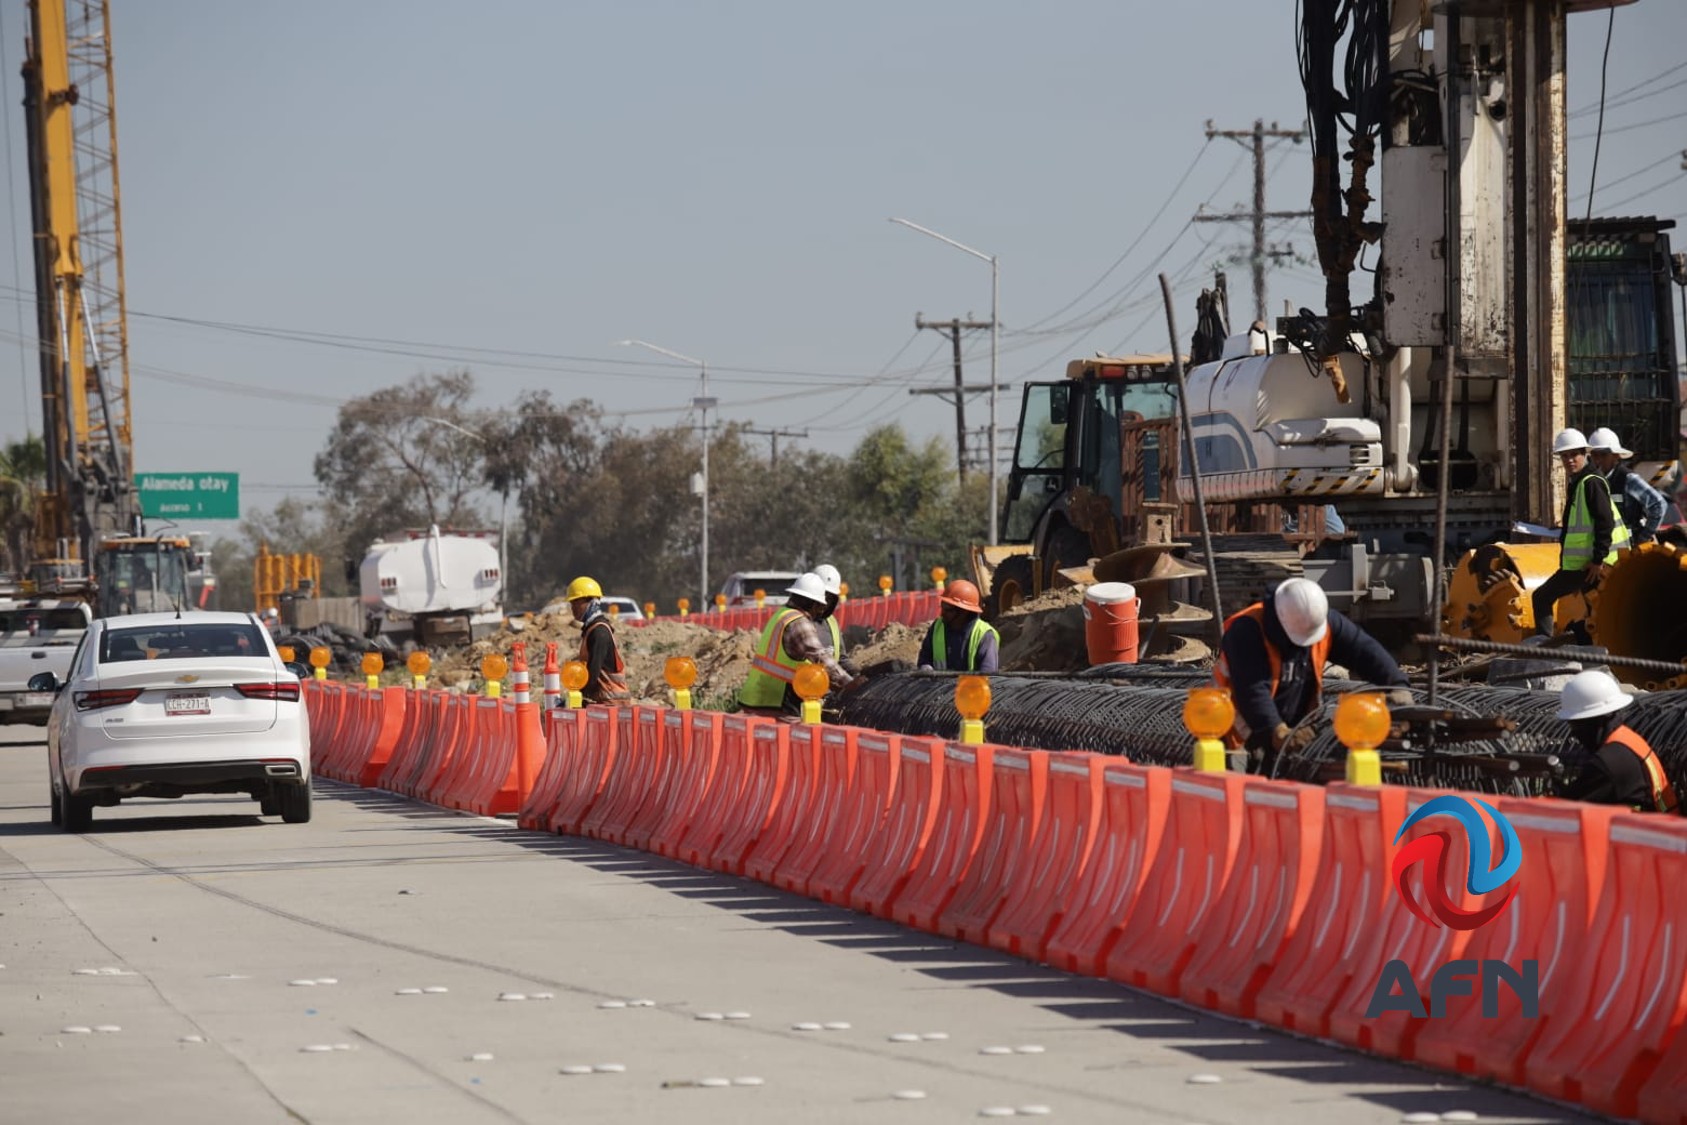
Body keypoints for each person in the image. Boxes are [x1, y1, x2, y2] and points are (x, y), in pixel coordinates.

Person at [1212, 577, 1411, 774]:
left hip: (1288, 729)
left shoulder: (1317, 622)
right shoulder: (1247, 630)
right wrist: (1276, 730)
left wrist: (1396, 684)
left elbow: (1364, 650)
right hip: (1236, 735)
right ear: (1281, 621)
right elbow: (1252, 691)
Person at [1532, 428, 1630, 639]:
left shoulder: (1590, 482)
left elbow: (1605, 522)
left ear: (1584, 454)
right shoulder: (1580, 482)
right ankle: (1593, 652)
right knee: (1593, 612)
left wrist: (1597, 559)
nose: (1569, 460)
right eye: (1564, 456)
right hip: (1587, 564)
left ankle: (1543, 654)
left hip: (1590, 565)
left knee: (1541, 597)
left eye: (1574, 454)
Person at [1555, 669, 1678, 813]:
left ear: (1591, 720)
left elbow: (1564, 810)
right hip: (1663, 828)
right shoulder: (1628, 740)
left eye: (1575, 723)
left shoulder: (1609, 762)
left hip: (1643, 832)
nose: (1573, 732)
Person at [738, 571, 857, 717]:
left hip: (759, 698)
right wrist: (849, 683)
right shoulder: (799, 624)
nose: (821, 611)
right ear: (813, 603)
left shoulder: (782, 614)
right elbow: (820, 656)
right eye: (820, 605)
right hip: (776, 702)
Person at [1588, 427, 1667, 546]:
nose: (1598, 460)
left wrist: (1644, 537)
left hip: (1627, 547)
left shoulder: (1628, 479)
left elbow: (1659, 505)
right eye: (1594, 455)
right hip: (1603, 547)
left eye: (1603, 455)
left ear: (1616, 456)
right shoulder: (1592, 481)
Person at [565, 575, 630, 704]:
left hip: (611, 703)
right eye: (572, 603)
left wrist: (579, 697)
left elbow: (593, 672)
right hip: (602, 701)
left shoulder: (599, 632)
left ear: (592, 602)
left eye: (577, 602)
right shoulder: (591, 629)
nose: (573, 608)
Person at [917, 579, 1000, 673]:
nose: (942, 613)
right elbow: (925, 658)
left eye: (948, 610)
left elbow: (988, 674)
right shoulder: (938, 627)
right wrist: (925, 668)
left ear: (964, 612)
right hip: (941, 687)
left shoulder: (984, 635)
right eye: (942, 607)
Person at [812, 563, 844, 658]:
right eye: (822, 595)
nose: (824, 602)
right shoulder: (800, 621)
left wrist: (857, 672)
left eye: (829, 598)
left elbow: (842, 658)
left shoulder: (831, 622)